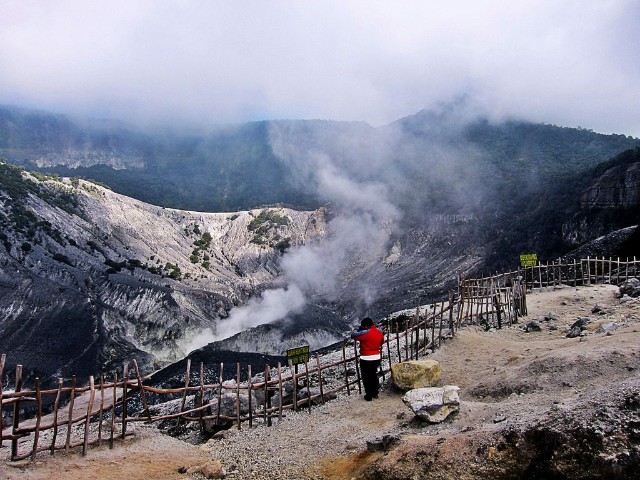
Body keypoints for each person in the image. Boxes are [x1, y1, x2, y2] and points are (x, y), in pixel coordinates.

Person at [351, 317, 384, 401]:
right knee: (373, 375)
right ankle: (375, 393)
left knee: (366, 377)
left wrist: (357, 328)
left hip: (366, 357)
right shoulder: (379, 332)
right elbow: (382, 342)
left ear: (365, 326)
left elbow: (354, 335)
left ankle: (368, 395)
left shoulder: (366, 333)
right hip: (376, 357)